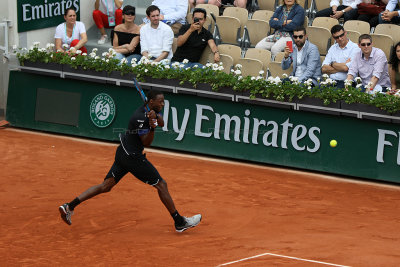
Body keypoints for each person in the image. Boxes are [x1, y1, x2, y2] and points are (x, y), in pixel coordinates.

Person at [59, 90, 202, 232]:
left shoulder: (150, 110)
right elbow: (146, 143)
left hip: (122, 152)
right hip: (132, 157)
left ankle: (69, 206)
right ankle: (179, 222)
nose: (163, 104)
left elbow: (163, 123)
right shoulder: (140, 117)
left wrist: (156, 117)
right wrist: (152, 127)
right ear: (151, 102)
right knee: (161, 184)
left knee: (105, 186)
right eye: (161, 102)